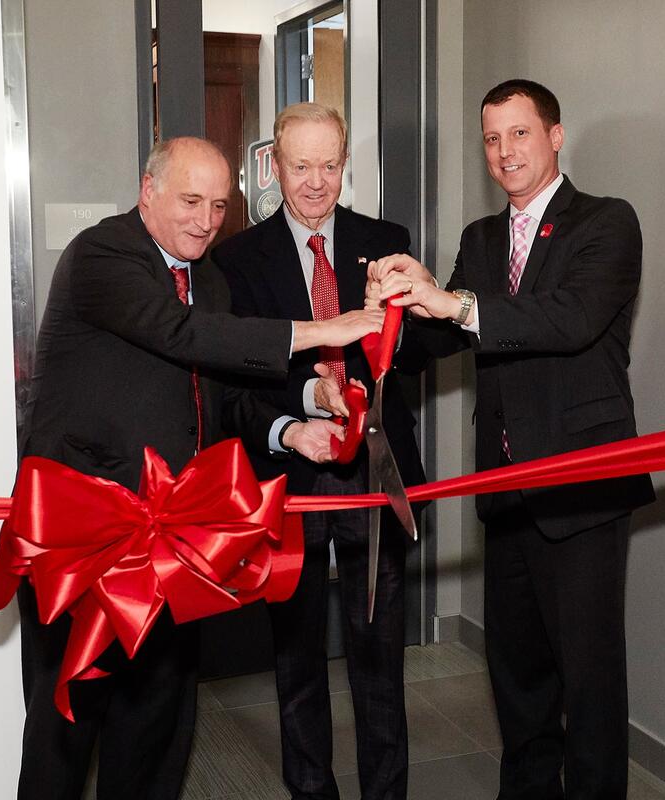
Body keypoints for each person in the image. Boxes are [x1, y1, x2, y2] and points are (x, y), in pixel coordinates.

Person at [16, 136, 382, 800]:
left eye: (218, 206)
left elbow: (224, 393)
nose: (205, 221)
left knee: (159, 724)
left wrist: (297, 421)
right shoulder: (102, 255)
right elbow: (182, 335)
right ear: (147, 190)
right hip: (84, 537)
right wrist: (323, 331)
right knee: (64, 726)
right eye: (190, 200)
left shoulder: (208, 278)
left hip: (172, 542)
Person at [368, 80, 655, 799]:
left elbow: (569, 319)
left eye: (520, 135)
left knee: (588, 684)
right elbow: (449, 335)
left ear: (556, 136)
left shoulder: (606, 222)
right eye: (493, 139)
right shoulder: (482, 238)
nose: (505, 152)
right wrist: (390, 315)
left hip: (583, 489)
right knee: (518, 677)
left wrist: (453, 301)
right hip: (503, 488)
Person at [213, 102, 424, 800]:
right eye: (299, 165)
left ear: (344, 164)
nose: (314, 182)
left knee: (379, 659)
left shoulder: (386, 239)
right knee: (297, 655)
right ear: (275, 166)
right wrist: (309, 400)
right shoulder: (235, 260)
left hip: (373, 472)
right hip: (291, 473)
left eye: (328, 165)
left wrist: (403, 322)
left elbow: (416, 354)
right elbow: (241, 372)